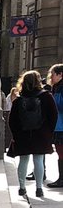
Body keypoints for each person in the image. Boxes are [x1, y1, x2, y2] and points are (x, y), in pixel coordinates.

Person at [8, 69, 57, 197]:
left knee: (23, 160)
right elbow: (53, 115)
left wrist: (16, 135)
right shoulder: (46, 96)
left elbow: (12, 120)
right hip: (41, 134)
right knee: (39, 160)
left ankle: (22, 187)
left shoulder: (18, 100)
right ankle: (39, 188)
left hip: (23, 135)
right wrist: (48, 132)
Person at [45, 64, 63, 188]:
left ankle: (61, 179)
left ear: (60, 74)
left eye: (53, 74)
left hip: (61, 126)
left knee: (61, 153)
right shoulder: (56, 88)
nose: (51, 77)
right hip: (58, 125)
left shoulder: (60, 89)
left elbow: (59, 105)